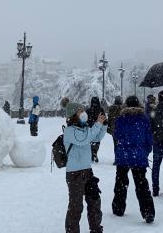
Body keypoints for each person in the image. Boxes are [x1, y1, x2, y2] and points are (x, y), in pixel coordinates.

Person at [63, 100, 107, 233]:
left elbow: (96, 137)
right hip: (75, 174)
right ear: (73, 114)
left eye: (83, 110)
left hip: (87, 171)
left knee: (94, 200)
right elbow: (83, 139)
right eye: (80, 111)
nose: (84, 113)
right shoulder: (70, 131)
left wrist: (103, 124)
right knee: (76, 207)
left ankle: (95, 228)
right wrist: (97, 124)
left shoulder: (85, 128)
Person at [112, 95, 155, 224]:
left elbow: (116, 135)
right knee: (142, 184)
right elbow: (149, 140)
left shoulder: (120, 119)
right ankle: (148, 212)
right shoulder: (144, 119)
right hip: (139, 156)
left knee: (121, 182)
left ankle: (118, 208)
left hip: (123, 156)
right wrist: (144, 152)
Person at [86, 97, 105, 162]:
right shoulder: (101, 110)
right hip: (99, 128)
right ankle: (95, 153)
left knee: (90, 142)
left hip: (90, 129)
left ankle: (92, 153)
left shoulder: (88, 110)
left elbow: (85, 120)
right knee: (97, 141)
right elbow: (104, 119)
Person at [107, 96, 124, 164]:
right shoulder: (123, 108)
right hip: (122, 128)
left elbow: (109, 118)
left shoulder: (111, 108)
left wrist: (109, 126)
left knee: (116, 144)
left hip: (114, 128)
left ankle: (116, 158)